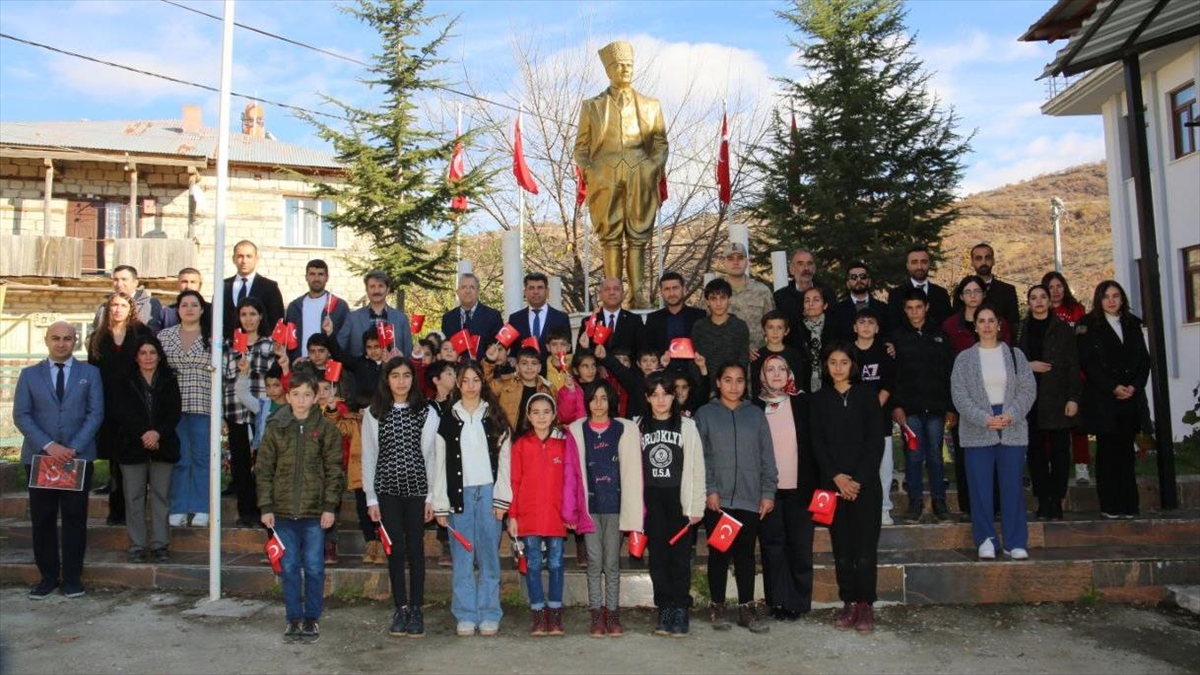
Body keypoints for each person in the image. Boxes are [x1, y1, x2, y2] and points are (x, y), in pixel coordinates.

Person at [14, 322, 105, 600]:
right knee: (42, 518)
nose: (62, 343)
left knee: (75, 518)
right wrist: (50, 446)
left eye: (67, 338)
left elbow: (95, 413)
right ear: (46, 340)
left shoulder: (90, 373)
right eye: (56, 338)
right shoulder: (29, 375)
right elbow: (22, 415)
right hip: (40, 458)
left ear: (75, 340)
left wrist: (72, 448)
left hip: (77, 459)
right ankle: (48, 577)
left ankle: (73, 579)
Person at [575, 39, 669, 307]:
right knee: (610, 237)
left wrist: (652, 165)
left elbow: (660, 142)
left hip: (640, 173)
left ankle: (638, 293)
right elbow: (581, 147)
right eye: (619, 65)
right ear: (608, 70)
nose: (625, 69)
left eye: (629, 65)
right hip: (605, 176)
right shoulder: (592, 106)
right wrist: (591, 170)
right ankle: (612, 294)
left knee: (638, 237)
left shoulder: (651, 105)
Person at [257, 372, 345, 644]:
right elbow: (263, 469)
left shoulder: (326, 429)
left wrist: (330, 506)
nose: (301, 400)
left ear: (316, 396)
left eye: (307, 394)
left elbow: (334, 471)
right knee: (290, 566)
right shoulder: (276, 425)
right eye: (296, 394)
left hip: (314, 512)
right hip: (282, 512)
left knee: (315, 567)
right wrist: (266, 505)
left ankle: (312, 618)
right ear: (288, 396)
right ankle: (293, 617)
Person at [432, 361, 514, 637]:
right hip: (460, 496)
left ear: (482, 383)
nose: (470, 386)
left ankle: (490, 612)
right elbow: (439, 463)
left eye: (475, 380)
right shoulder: (448, 417)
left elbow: (505, 460)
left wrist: (502, 498)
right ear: (458, 384)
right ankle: (466, 613)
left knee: (489, 556)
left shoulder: (494, 416)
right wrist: (441, 503)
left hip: (488, 492)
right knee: (463, 557)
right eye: (465, 380)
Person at [809, 343, 886, 632]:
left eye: (843, 362)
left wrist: (857, 480)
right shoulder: (818, 400)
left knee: (865, 548)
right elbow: (817, 443)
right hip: (832, 486)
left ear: (852, 365)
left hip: (865, 486)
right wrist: (837, 478)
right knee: (841, 548)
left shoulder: (867, 396)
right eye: (832, 361)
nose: (838, 367)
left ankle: (865, 604)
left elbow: (875, 442)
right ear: (826, 366)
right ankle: (849, 601)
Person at [950, 305, 1037, 561]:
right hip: (978, 428)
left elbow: (1027, 390)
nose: (987, 325)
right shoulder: (964, 359)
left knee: (1012, 487)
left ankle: (1015, 541)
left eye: (991, 320)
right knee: (980, 488)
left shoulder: (1015, 355)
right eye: (982, 321)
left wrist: (1011, 415)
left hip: (1012, 425)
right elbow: (960, 395)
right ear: (974, 326)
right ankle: (986, 539)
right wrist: (984, 418)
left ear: (999, 325)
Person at [695, 362, 777, 634]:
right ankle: (717, 606)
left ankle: (746, 608)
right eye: (727, 380)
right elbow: (701, 456)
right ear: (717, 382)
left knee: (745, 555)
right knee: (719, 553)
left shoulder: (755, 415)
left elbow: (767, 455)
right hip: (718, 500)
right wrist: (710, 490)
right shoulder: (705, 414)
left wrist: (768, 492)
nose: (733, 386)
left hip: (750, 497)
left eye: (739, 380)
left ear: (745, 384)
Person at [362, 357, 440, 637]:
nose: (401, 381)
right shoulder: (374, 413)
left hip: (418, 490)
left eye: (407, 375)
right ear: (387, 379)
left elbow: (430, 455)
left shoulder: (426, 411)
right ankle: (401, 607)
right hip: (386, 491)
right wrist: (371, 498)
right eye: (395, 375)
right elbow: (370, 455)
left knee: (416, 551)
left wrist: (430, 495)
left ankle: (417, 609)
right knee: (394, 551)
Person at [562, 380, 643, 638]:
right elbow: (571, 475)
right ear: (587, 402)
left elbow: (633, 472)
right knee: (594, 561)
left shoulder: (624, 430)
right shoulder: (577, 431)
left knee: (612, 562)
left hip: (616, 506)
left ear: (611, 402)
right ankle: (596, 615)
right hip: (590, 507)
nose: (598, 404)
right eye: (594, 398)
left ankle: (613, 613)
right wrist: (571, 511)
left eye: (603, 398)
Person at [638, 373, 706, 636]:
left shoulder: (687, 426)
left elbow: (698, 467)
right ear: (647, 398)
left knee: (679, 558)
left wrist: (696, 506)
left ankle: (680, 607)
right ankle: (664, 606)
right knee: (658, 557)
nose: (661, 399)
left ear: (673, 396)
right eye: (654, 395)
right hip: (652, 500)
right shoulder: (639, 426)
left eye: (665, 394)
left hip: (678, 499)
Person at [1077, 280, 1151, 519]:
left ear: (1122, 299)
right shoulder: (1088, 326)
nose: (1111, 300)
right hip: (1104, 399)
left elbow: (1143, 361)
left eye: (1116, 295)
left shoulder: (1132, 324)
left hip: (1130, 398)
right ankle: (1110, 505)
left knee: (1126, 453)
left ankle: (1130, 504)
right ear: (1099, 299)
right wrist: (1113, 387)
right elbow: (1088, 363)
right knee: (1107, 452)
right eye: (1106, 296)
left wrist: (1134, 386)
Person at [751, 355, 816, 621]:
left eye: (781, 368)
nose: (776, 373)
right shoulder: (753, 406)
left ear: (790, 373)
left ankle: (797, 603)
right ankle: (777, 601)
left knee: (800, 546)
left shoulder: (803, 402)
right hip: (767, 491)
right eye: (770, 369)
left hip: (800, 488)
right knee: (772, 546)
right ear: (762, 376)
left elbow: (815, 444)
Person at [944, 275, 1010, 515]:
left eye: (977, 291)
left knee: (997, 457)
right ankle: (970, 507)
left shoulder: (998, 322)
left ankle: (998, 505)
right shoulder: (951, 326)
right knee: (967, 458)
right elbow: (946, 366)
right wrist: (953, 405)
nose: (972, 295)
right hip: (964, 401)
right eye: (967, 291)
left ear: (984, 295)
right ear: (961, 297)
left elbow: (1008, 360)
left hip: (997, 400)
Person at [889, 288, 956, 522]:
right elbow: (894, 376)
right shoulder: (897, 337)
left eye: (919, 307)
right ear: (904, 310)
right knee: (914, 455)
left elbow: (949, 373)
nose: (914, 312)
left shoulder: (940, 335)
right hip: (910, 408)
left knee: (936, 455)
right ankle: (915, 502)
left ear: (926, 307)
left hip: (937, 406)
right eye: (909, 308)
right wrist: (896, 406)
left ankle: (939, 501)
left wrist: (950, 407)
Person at [113, 336, 181, 563]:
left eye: (152, 352)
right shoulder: (124, 380)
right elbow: (121, 413)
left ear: (159, 356)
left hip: (163, 446)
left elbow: (174, 412)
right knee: (134, 498)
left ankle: (161, 545)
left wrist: (157, 433)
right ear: (136, 356)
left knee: (161, 497)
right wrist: (143, 433)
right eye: (143, 353)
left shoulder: (169, 380)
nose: (148, 357)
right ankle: (137, 546)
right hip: (132, 446)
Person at [1016, 285, 1081, 520]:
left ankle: (1057, 499)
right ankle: (1043, 499)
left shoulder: (1062, 329)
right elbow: (1012, 361)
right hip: (1029, 399)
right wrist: (1029, 366)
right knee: (1036, 452)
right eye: (1034, 298)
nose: (1039, 301)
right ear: (1029, 302)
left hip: (1057, 397)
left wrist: (1073, 398)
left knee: (1060, 452)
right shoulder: (1021, 329)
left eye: (1043, 297)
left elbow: (1073, 365)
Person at [89, 292, 154, 526]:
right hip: (108, 406)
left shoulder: (142, 334)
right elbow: (93, 372)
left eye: (122, 305)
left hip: (135, 403)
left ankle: (136, 509)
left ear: (131, 308)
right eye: (113, 305)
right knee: (114, 460)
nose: (117, 309)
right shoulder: (98, 338)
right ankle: (116, 511)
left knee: (136, 458)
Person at [507, 393, 569, 637]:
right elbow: (514, 481)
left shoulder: (563, 445)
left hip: (556, 516)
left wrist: (570, 511)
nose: (541, 417)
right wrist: (513, 516)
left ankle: (554, 614)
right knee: (532, 565)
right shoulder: (521, 445)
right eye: (536, 412)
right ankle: (537, 614)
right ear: (528, 416)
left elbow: (570, 482)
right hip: (528, 516)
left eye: (546, 412)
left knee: (556, 564)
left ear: (554, 415)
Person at [222, 296, 280, 527]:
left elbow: (271, 375)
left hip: (260, 409)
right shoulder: (229, 345)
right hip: (235, 409)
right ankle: (245, 510)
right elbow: (224, 377)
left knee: (262, 462)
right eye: (244, 314)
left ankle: (262, 508)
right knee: (240, 462)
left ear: (261, 316)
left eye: (252, 314)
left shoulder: (269, 344)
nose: (248, 319)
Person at [159, 290, 213, 527]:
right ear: (177, 309)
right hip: (173, 407)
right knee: (180, 457)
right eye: (184, 305)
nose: (189, 309)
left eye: (194, 305)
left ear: (202, 309)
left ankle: (202, 507)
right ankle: (179, 506)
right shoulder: (164, 337)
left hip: (204, 404)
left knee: (203, 457)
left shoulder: (213, 336)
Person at [849, 307, 900, 524]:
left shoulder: (885, 353)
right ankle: (857, 507)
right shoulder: (847, 353)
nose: (866, 326)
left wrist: (871, 409)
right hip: (852, 417)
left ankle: (883, 508)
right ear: (855, 327)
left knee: (884, 465)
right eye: (862, 322)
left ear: (877, 327)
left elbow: (888, 385)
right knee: (854, 463)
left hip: (879, 418)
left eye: (871, 322)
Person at [1042, 271, 1091, 486]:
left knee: (1077, 424)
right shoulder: (1043, 311)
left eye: (1059, 286)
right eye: (1051, 287)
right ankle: (1052, 463)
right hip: (1051, 376)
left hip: (1075, 372)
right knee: (1052, 425)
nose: (1055, 291)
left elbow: (1083, 340)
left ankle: (1082, 465)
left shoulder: (1076, 310)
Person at [284, 259, 350, 361]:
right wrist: (292, 359)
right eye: (312, 274)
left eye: (320, 274)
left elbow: (345, 339)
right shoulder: (294, 307)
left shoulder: (339, 306)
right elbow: (288, 339)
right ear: (306, 277)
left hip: (328, 365)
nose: (316, 278)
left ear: (327, 277)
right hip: (300, 365)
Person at [338, 270, 412, 359]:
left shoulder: (401, 319)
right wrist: (330, 333)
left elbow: (408, 353)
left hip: (392, 371)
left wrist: (401, 358)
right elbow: (339, 348)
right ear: (367, 290)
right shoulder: (352, 318)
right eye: (372, 286)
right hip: (361, 371)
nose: (376, 290)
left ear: (387, 289)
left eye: (380, 286)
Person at [483, 343, 555, 431]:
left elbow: (555, 419)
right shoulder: (505, 383)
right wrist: (489, 361)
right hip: (509, 438)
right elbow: (485, 387)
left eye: (534, 363)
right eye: (524, 363)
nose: (529, 367)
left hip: (536, 441)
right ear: (517, 367)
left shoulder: (548, 389)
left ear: (539, 367)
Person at [716, 242, 775, 350]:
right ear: (724, 262)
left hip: (756, 357)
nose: (736, 262)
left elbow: (772, 325)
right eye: (730, 259)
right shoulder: (715, 291)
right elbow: (706, 325)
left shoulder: (762, 291)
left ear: (747, 262)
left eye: (740, 258)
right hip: (724, 358)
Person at [691, 278, 749, 386]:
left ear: (729, 299)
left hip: (733, 388)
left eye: (722, 298)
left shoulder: (740, 326)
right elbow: (695, 362)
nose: (718, 303)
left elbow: (743, 361)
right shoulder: (699, 327)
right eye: (713, 299)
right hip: (705, 388)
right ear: (707, 301)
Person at [222, 240, 284, 339]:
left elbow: (277, 321)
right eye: (240, 256)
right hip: (228, 348)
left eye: (249, 256)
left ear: (256, 259)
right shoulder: (222, 287)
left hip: (260, 349)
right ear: (233, 259)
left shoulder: (269, 287)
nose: (244, 261)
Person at [506, 272, 572, 358]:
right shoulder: (515, 319)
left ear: (547, 291)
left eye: (540, 288)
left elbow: (568, 351)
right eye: (531, 288)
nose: (536, 292)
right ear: (525, 292)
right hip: (525, 370)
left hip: (552, 370)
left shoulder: (561, 318)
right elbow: (512, 352)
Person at [887, 245, 952, 329]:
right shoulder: (896, 295)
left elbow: (947, 324)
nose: (919, 267)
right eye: (914, 262)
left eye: (924, 262)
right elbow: (893, 326)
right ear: (907, 265)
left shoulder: (941, 293)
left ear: (929, 264)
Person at [773, 249, 836, 333]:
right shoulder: (780, 297)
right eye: (800, 264)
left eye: (809, 263)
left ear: (814, 268)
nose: (806, 268)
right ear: (791, 269)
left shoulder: (827, 292)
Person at [577, 277, 644, 356]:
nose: (612, 292)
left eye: (616, 289)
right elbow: (580, 356)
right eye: (607, 289)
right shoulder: (589, 321)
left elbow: (641, 353)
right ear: (600, 295)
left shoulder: (634, 320)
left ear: (622, 294)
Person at [643, 272, 707, 356]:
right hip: (663, 368)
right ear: (661, 292)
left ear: (684, 289)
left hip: (692, 368)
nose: (672, 293)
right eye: (667, 289)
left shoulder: (699, 316)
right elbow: (648, 350)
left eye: (675, 288)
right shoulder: (653, 319)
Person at [749, 310, 807, 399]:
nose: (775, 332)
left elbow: (798, 387)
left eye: (779, 328)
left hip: (790, 406)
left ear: (786, 331)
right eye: (770, 327)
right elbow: (756, 389)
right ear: (764, 330)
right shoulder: (757, 356)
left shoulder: (794, 355)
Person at [93, 264, 164, 334]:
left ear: (135, 282)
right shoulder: (104, 307)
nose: (119, 284)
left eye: (124, 279)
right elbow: (94, 333)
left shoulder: (150, 304)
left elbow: (154, 332)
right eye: (116, 280)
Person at [792, 287, 838, 394]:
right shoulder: (795, 329)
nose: (810, 304)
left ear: (825, 305)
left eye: (816, 300)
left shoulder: (836, 327)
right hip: (803, 387)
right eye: (807, 300)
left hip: (832, 385)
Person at [440, 273, 504, 347]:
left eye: (472, 287)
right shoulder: (448, 318)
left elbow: (498, 347)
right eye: (463, 287)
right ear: (457, 292)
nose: (468, 291)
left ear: (478, 292)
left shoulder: (493, 316)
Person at [831, 262, 890, 341]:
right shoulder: (837, 310)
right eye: (853, 277)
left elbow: (888, 334)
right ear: (848, 284)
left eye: (863, 276)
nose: (859, 280)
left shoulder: (883, 308)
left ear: (869, 282)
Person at [970, 243, 1020, 331]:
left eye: (987, 258)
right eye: (979, 258)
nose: (983, 262)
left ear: (993, 261)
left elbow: (1013, 324)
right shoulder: (963, 291)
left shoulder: (1008, 291)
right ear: (972, 262)